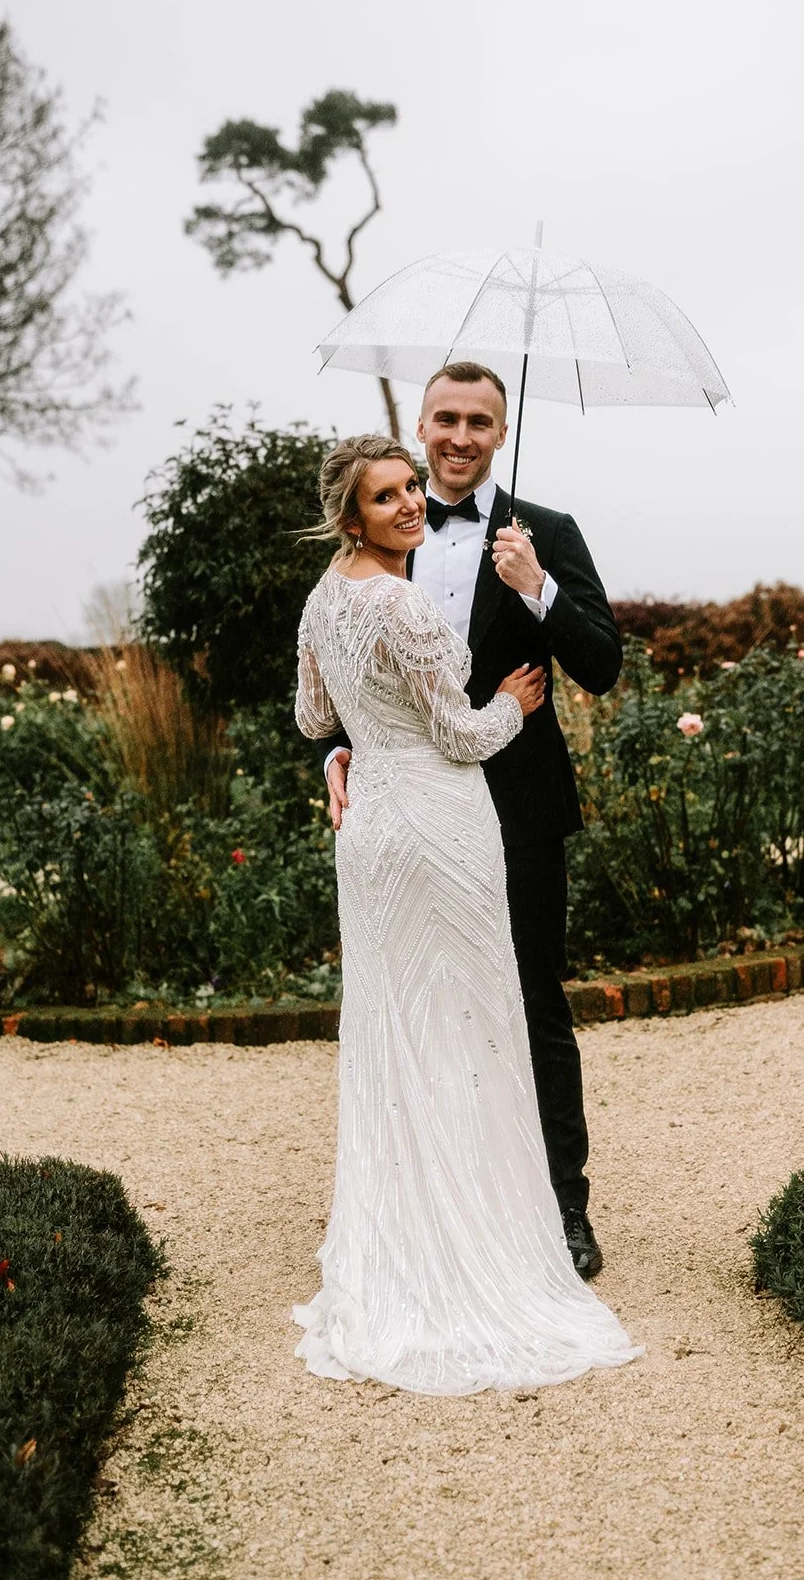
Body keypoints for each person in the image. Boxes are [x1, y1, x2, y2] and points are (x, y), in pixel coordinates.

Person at [293, 434, 641, 1394]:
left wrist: (349, 750)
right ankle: (475, 1238)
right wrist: (514, 706)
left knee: (398, 1025)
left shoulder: (326, 596)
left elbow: (312, 716)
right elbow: (457, 730)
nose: (411, 502)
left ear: (493, 431)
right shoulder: (399, 601)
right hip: (443, 822)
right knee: (478, 1021)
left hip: (373, 838)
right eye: (389, 493)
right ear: (352, 512)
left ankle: (431, 1225)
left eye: (413, 489)